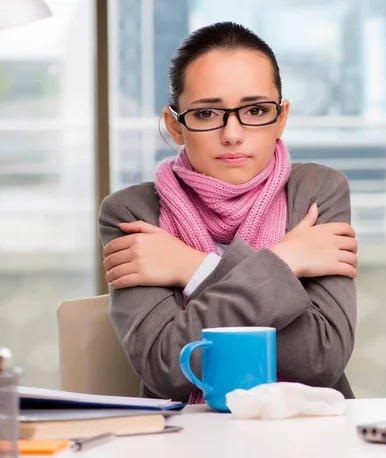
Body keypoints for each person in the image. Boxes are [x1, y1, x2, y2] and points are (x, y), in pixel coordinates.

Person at [98, 21, 358, 404]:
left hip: (310, 432)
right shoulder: (132, 212)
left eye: (255, 110)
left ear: (281, 117)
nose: (233, 133)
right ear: (175, 125)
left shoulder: (318, 192)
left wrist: (193, 269)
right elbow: (166, 366)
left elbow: (320, 357)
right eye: (206, 114)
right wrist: (284, 261)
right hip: (189, 437)